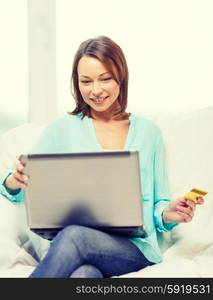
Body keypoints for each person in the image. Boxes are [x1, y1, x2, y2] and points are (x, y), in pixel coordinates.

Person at [0, 36, 204, 278]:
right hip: (69, 247)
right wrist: (14, 181)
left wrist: (168, 214)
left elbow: (158, 205)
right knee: (84, 276)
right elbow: (27, 188)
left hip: (132, 251)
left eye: (105, 79)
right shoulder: (60, 130)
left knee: (75, 236)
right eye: (86, 81)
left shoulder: (149, 134)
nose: (95, 90)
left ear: (121, 77)